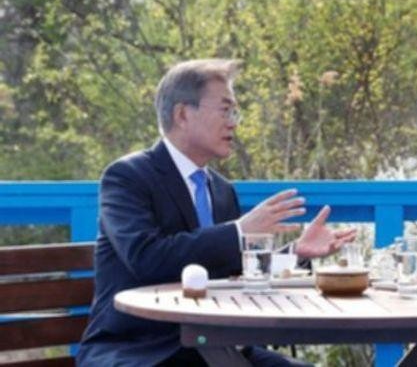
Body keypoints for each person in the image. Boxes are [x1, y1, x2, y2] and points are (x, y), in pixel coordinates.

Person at [77, 59, 356, 366]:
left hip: (216, 348)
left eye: (234, 112)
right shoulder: (127, 177)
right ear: (182, 114)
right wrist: (239, 231)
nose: (233, 123)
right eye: (225, 110)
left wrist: (295, 253)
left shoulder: (222, 190)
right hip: (142, 350)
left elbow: (238, 275)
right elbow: (147, 259)